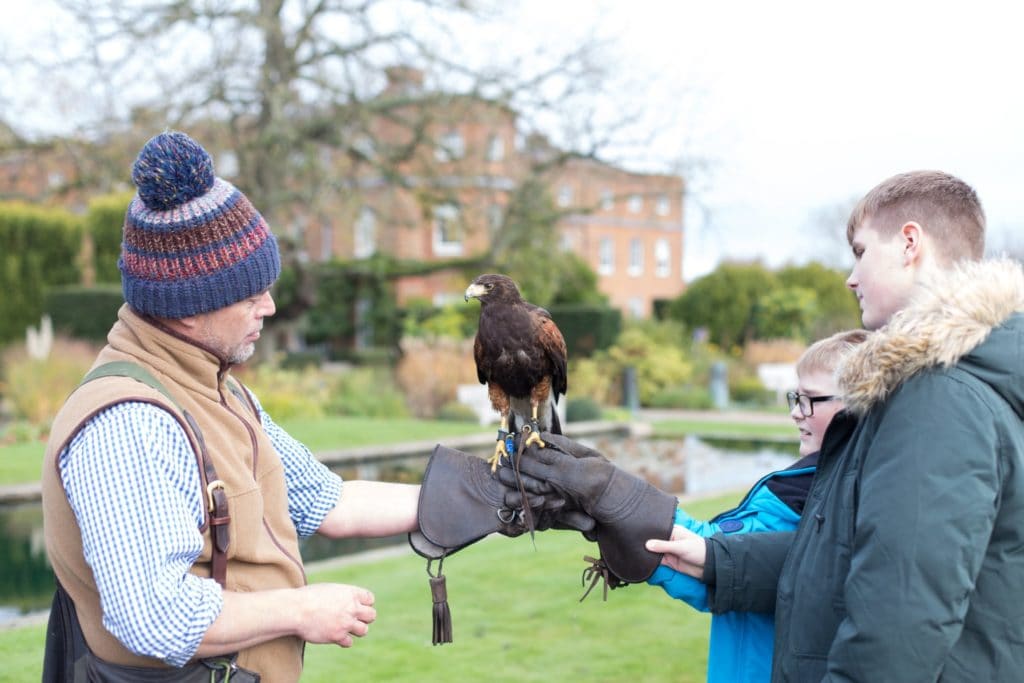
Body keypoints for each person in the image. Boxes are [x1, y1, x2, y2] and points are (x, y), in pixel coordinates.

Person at [40, 131, 555, 681]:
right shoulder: (129, 422)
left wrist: (503, 494)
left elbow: (331, 503)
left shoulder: (218, 391)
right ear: (189, 307)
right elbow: (152, 615)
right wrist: (302, 608)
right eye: (251, 293)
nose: (271, 305)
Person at [511, 170, 1024, 681]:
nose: (851, 276)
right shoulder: (960, 384)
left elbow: (901, 623)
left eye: (861, 252)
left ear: (910, 243)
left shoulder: (940, 398)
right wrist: (716, 558)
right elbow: (845, 556)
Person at [647, 328, 867, 683]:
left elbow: (720, 558)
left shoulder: (815, 499)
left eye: (810, 399)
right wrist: (633, 540)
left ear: (859, 404)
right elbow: (720, 571)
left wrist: (627, 513)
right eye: (795, 397)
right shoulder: (804, 482)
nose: (796, 412)